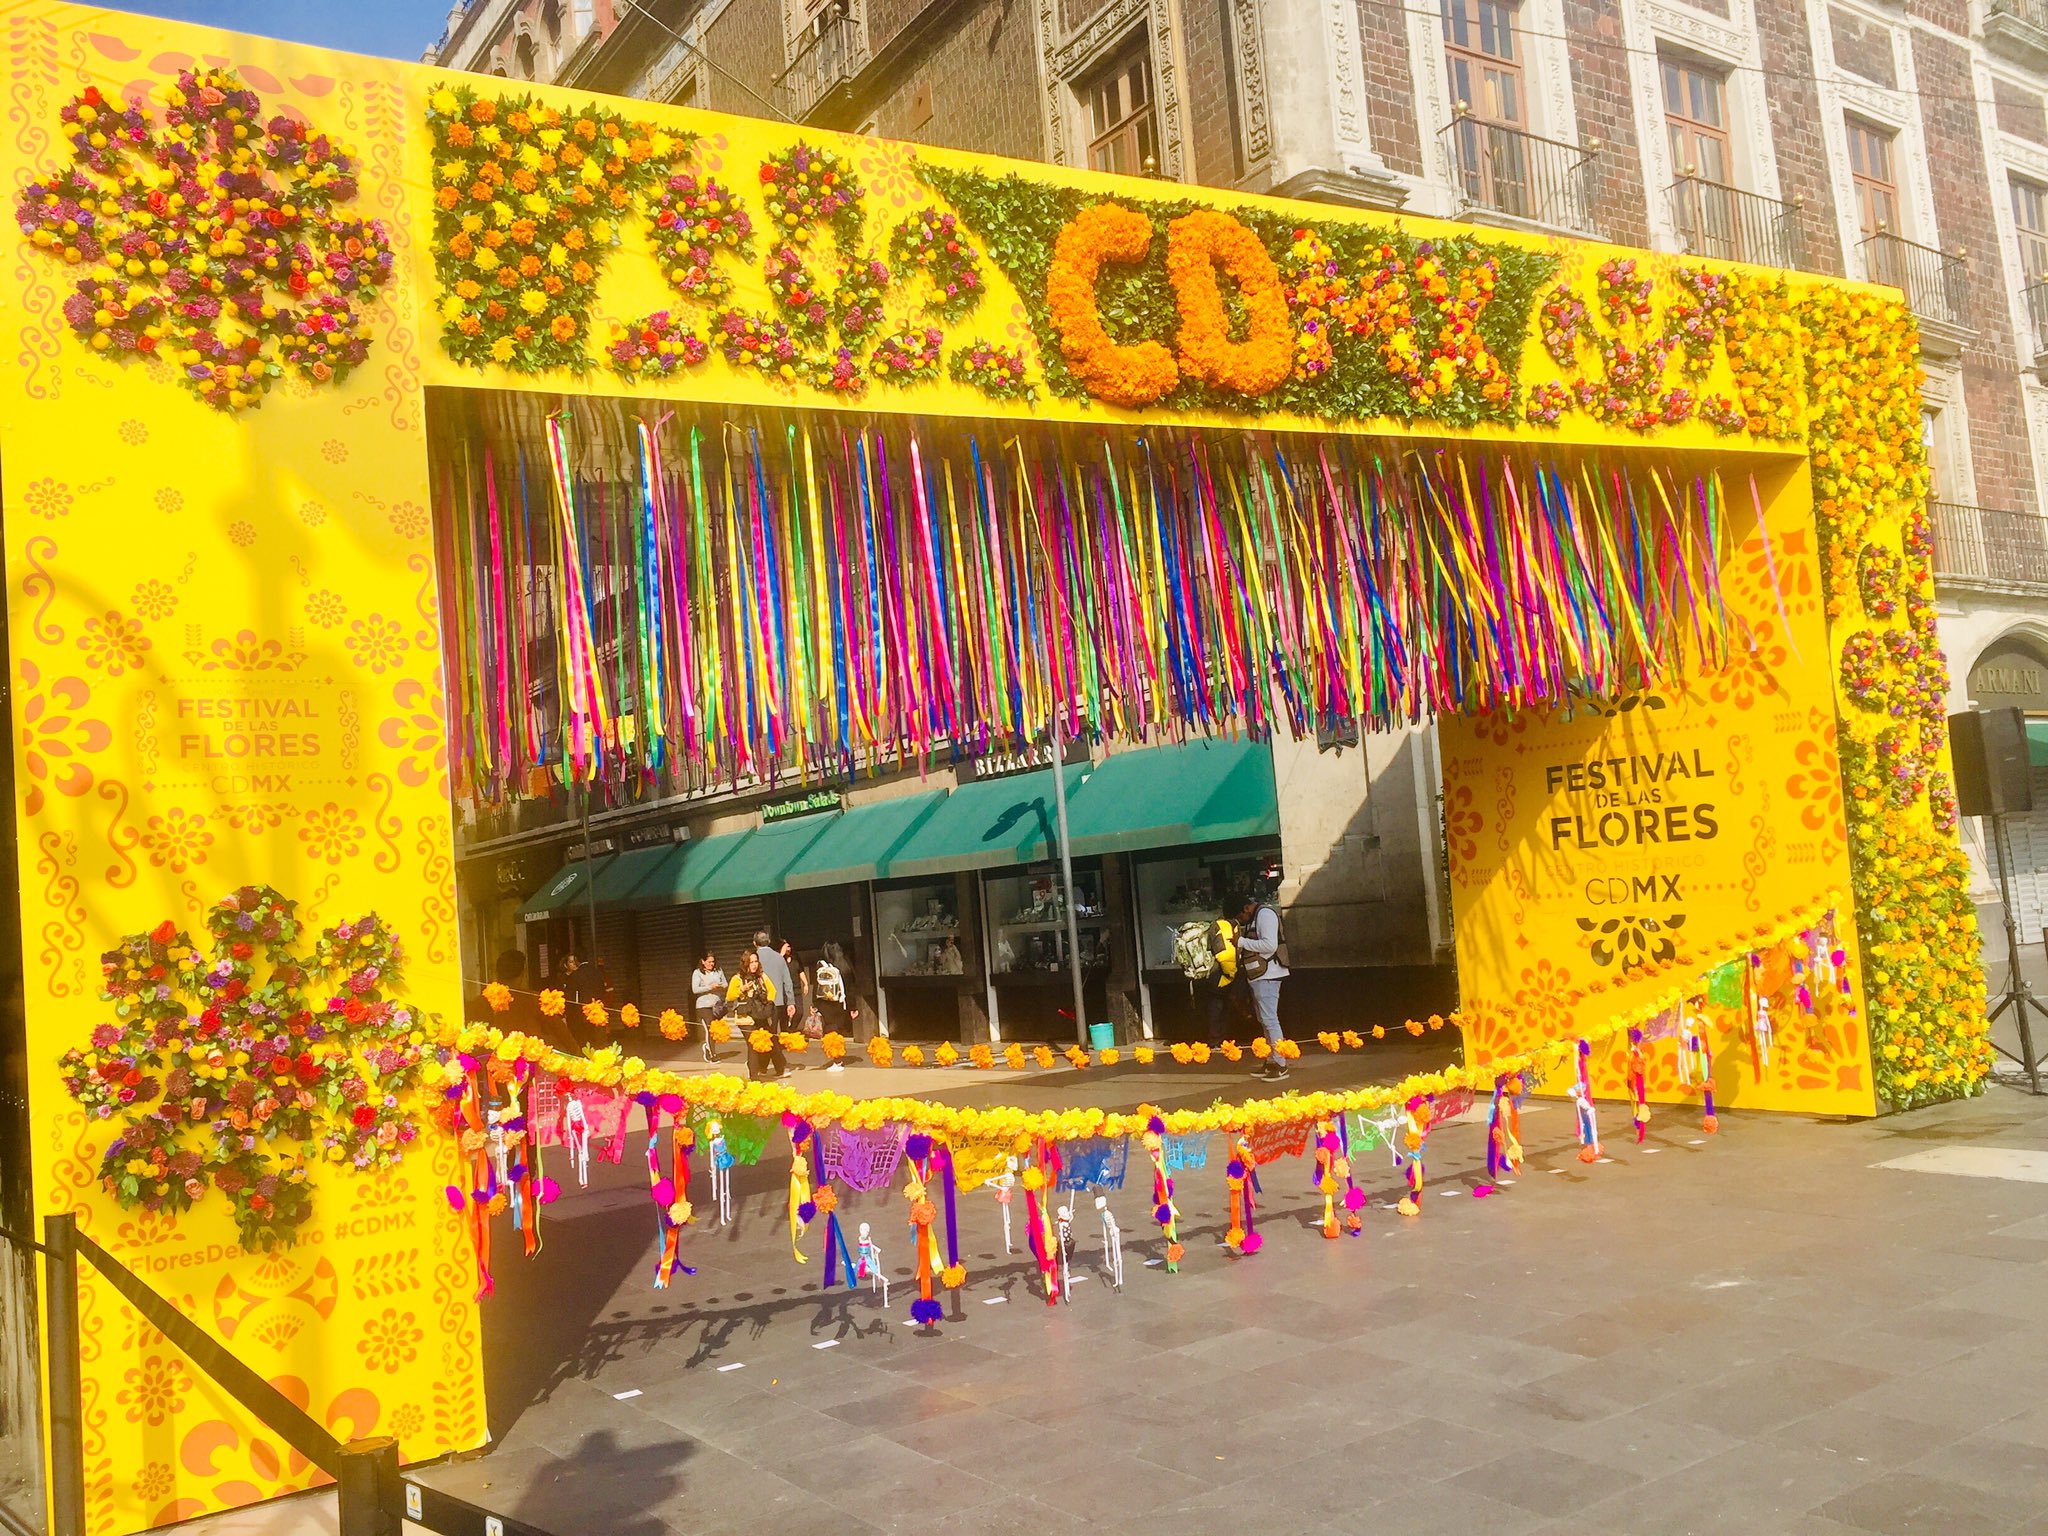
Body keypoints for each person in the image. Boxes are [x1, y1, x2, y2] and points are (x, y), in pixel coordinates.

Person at [1236, 887, 1290, 1080]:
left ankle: (1281, 1063)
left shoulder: (1265, 915)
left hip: (1269, 974)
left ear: (1246, 908)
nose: (1241, 921)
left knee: (1270, 1020)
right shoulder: (1255, 916)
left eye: (1240, 917)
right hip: (1259, 975)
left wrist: (1241, 942)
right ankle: (1271, 1061)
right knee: (1264, 1020)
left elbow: (1269, 945)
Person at [727, 949, 782, 1079]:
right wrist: (742, 989)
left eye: (756, 961)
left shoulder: (762, 976)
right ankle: (754, 1077)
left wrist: (767, 1004)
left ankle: (759, 1067)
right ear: (745, 963)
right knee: (753, 1045)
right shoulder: (737, 979)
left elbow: (773, 991)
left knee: (765, 1043)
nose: (754, 964)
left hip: (760, 1016)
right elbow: (729, 996)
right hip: (745, 1019)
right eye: (751, 962)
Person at [814, 944, 853, 1074]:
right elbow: (850, 986)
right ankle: (838, 1059)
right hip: (840, 1004)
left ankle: (837, 1060)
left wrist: (815, 1005)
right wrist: (853, 1006)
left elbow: (817, 987)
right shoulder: (844, 966)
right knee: (838, 1033)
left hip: (826, 1005)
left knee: (830, 1033)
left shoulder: (821, 966)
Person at [756, 930, 797, 1032]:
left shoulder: (753, 959)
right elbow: (788, 981)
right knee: (773, 1031)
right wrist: (791, 1002)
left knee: (760, 1036)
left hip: (758, 1003)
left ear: (754, 943)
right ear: (769, 941)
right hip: (777, 1002)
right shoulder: (779, 958)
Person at [690, 949, 726, 1062]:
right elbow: (695, 989)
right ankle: (712, 1055)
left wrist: (720, 986)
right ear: (703, 961)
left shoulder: (718, 971)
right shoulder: (697, 973)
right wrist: (710, 987)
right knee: (709, 1029)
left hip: (716, 1004)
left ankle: (708, 1047)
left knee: (715, 1030)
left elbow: (725, 984)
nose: (711, 964)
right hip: (703, 1005)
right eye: (709, 961)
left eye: (713, 962)